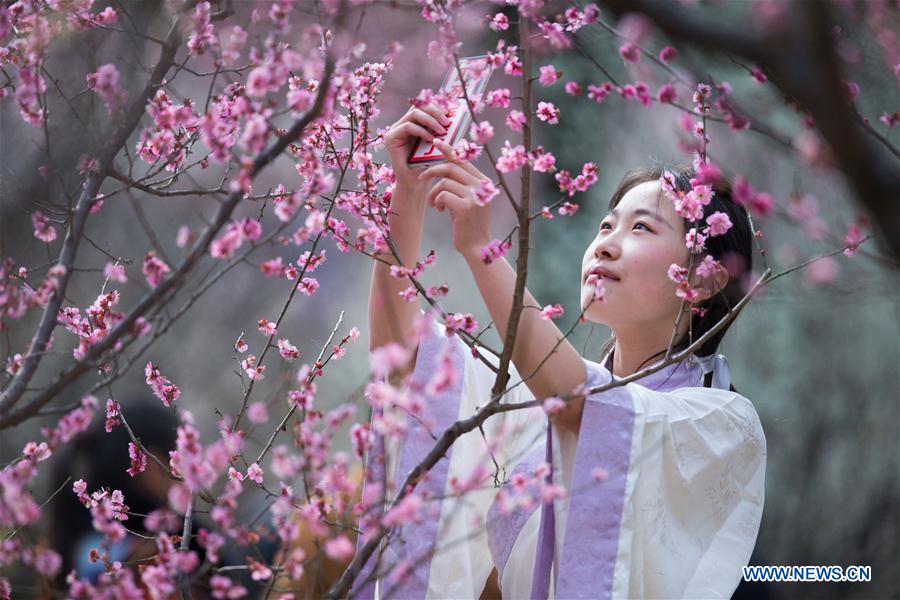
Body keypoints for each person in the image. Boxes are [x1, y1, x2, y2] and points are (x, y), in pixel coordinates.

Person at [358, 103, 766, 599]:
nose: (606, 245)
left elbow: (585, 407)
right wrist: (408, 191)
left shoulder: (721, 419)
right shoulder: (541, 403)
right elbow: (401, 361)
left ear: (703, 278)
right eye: (605, 226)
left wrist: (482, 248)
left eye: (641, 228)